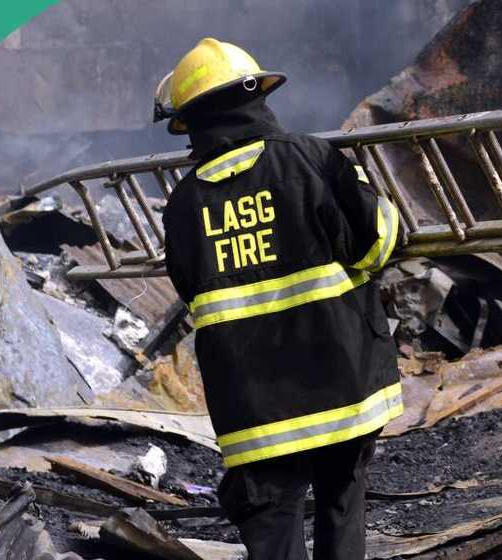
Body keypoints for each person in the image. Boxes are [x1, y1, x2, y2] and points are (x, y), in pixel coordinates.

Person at [154, 37, 403, 559]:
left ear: (191, 121)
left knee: (272, 522)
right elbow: (377, 241)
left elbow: (189, 287)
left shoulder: (182, 205)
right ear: (256, 97)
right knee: (342, 503)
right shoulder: (313, 159)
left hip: (253, 399)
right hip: (342, 378)